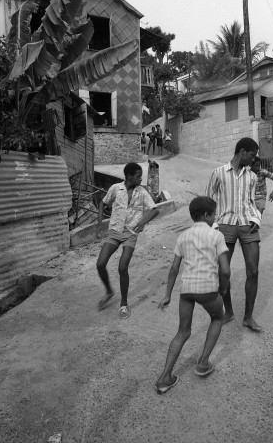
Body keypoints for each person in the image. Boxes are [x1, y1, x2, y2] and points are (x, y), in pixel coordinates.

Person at [155, 196, 230, 395]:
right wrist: (222, 289)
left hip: (186, 290)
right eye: (214, 213)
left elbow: (173, 269)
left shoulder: (183, 236)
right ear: (206, 215)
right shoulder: (216, 236)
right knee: (218, 317)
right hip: (207, 289)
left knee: (182, 332)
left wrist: (167, 295)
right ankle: (203, 364)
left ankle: (164, 378)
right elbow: (225, 270)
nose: (215, 217)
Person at [206, 137, 262, 332]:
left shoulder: (252, 177)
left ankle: (248, 317)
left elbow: (253, 202)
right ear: (242, 152)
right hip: (225, 225)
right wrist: (212, 226)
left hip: (248, 225)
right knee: (223, 272)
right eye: (252, 155)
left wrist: (256, 219)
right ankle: (228, 311)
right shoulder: (218, 173)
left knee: (253, 271)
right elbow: (208, 201)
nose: (254, 159)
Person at [96, 163, 159, 319]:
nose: (141, 178)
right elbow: (103, 203)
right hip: (115, 231)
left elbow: (155, 209)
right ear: (130, 176)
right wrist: (99, 226)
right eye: (139, 176)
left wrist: (143, 221)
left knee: (122, 267)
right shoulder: (116, 189)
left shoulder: (142, 192)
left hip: (131, 233)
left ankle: (123, 304)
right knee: (100, 263)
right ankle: (109, 291)